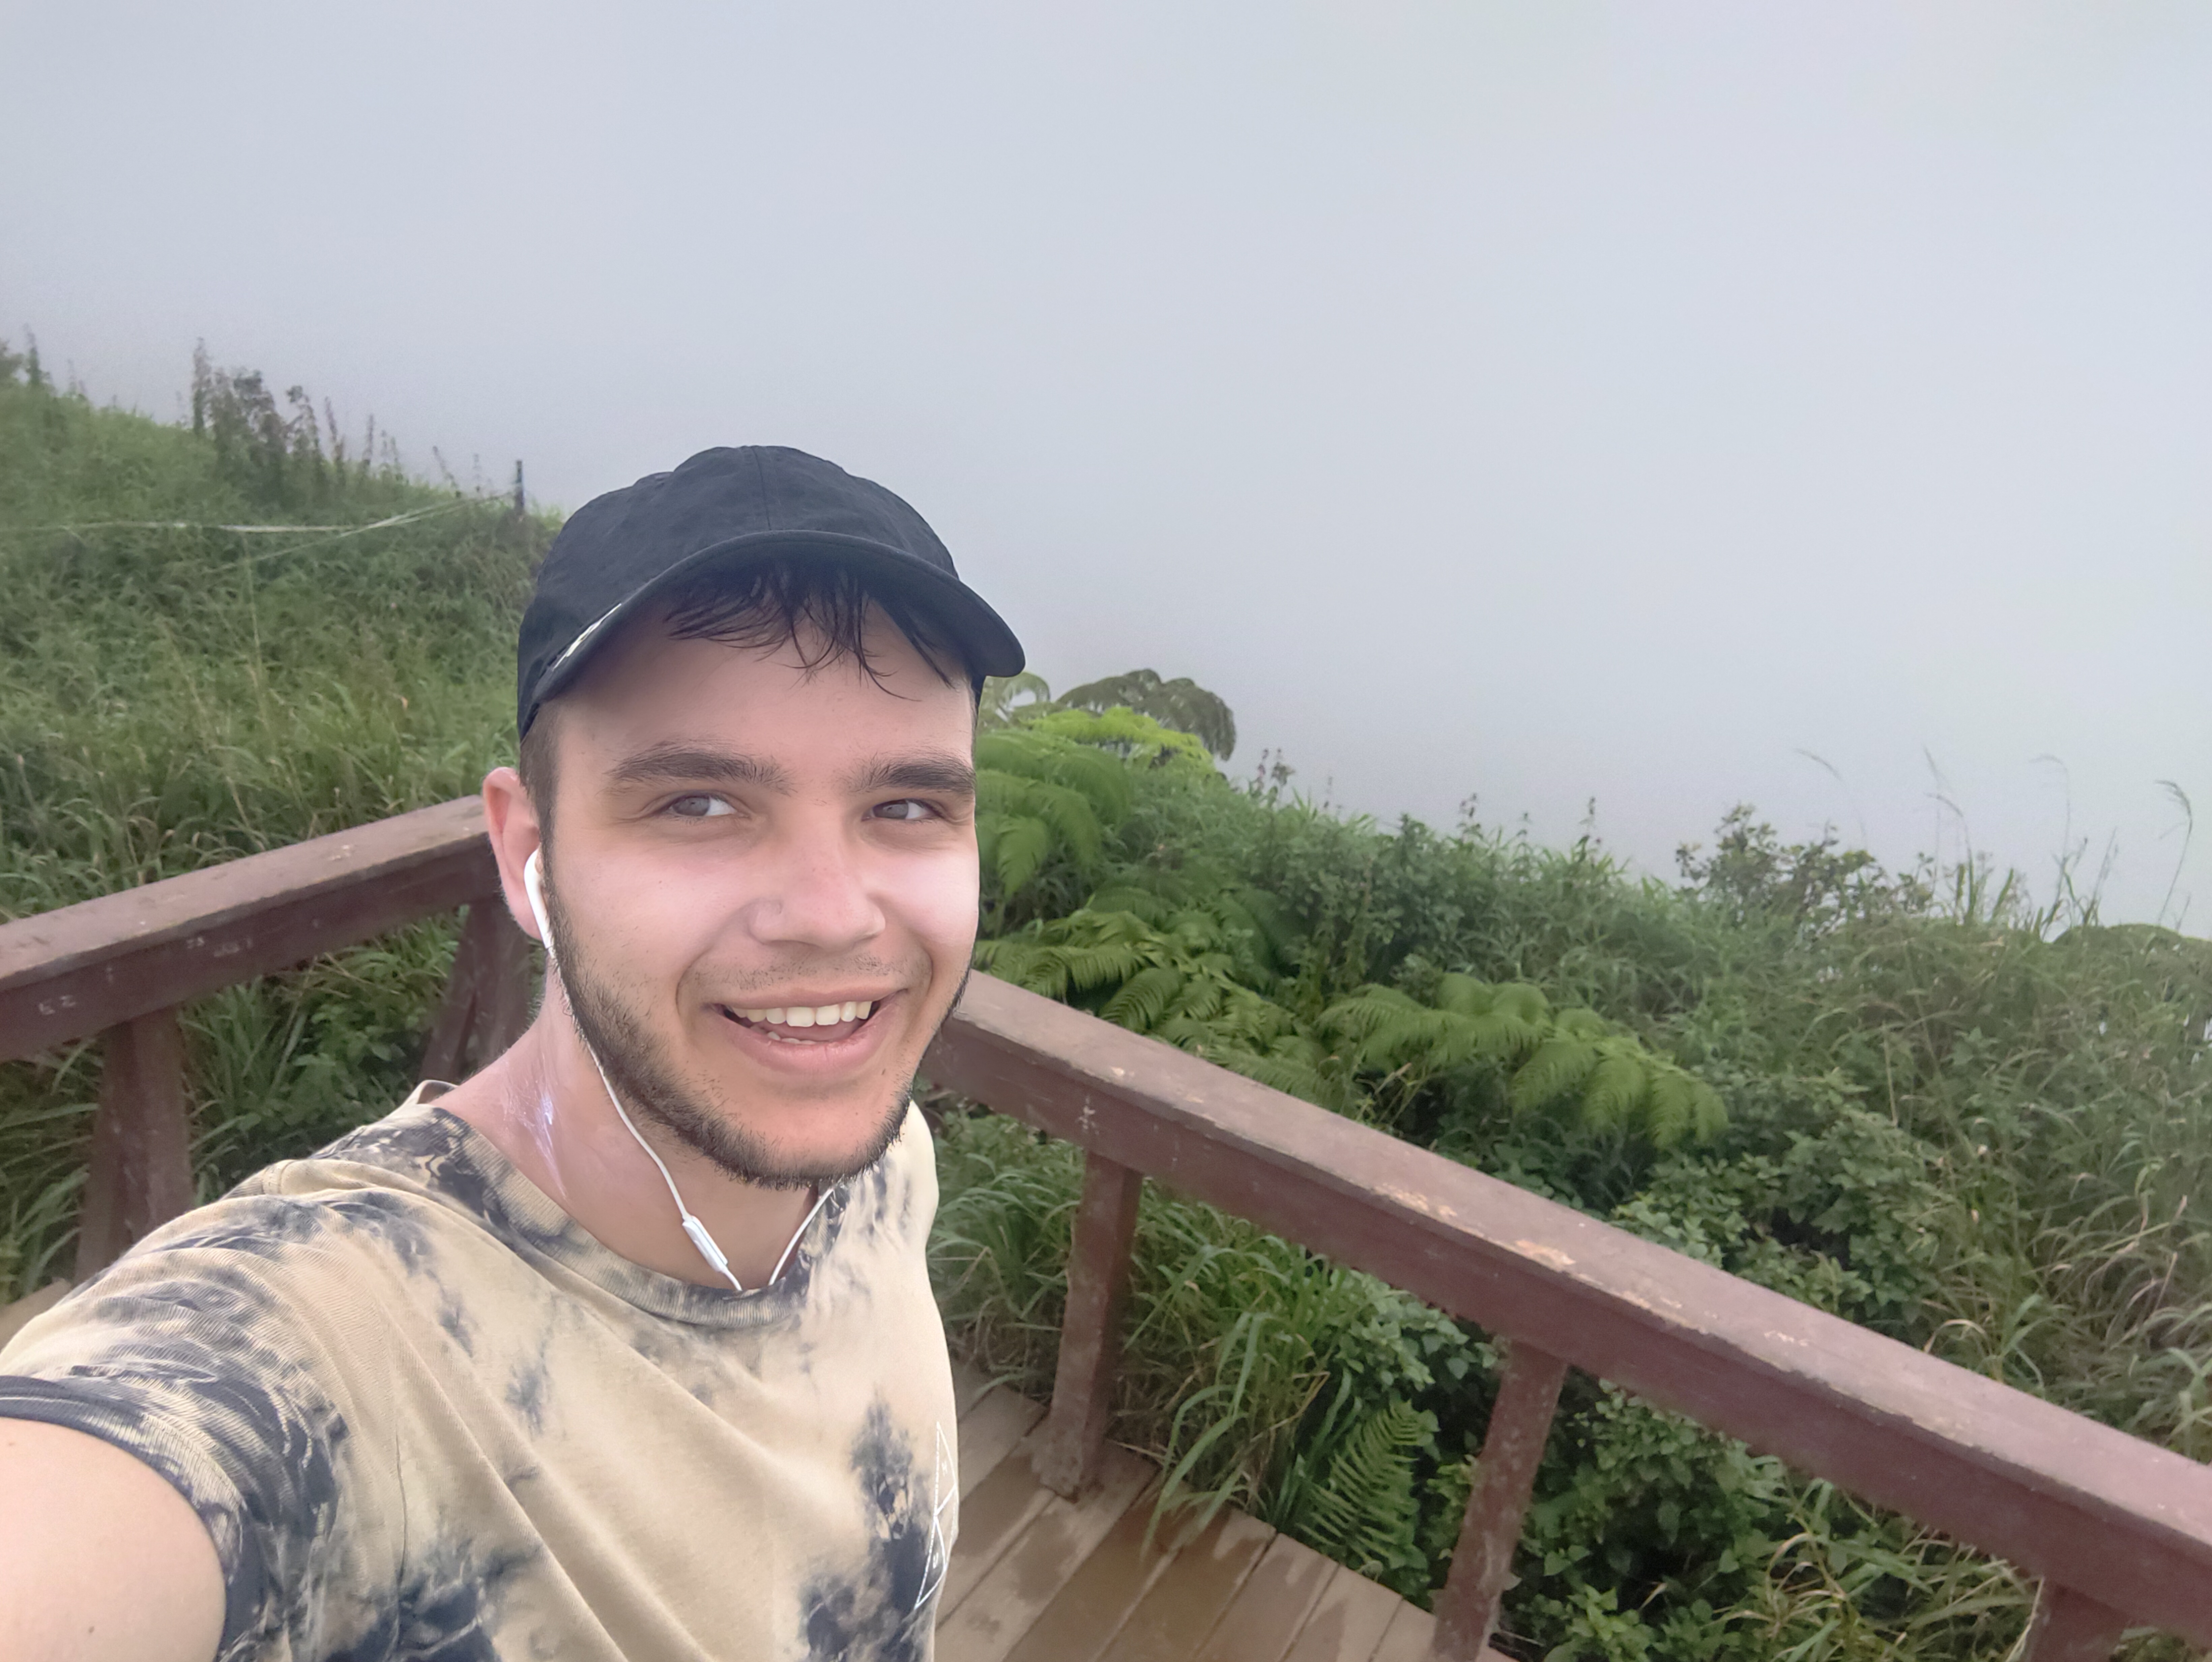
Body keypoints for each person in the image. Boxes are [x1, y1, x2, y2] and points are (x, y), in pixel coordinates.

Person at [0, 446, 1025, 1662]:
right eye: (699, 804)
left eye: (906, 807)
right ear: (525, 852)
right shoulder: (341, 1348)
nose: (832, 914)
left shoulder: (883, 1161)